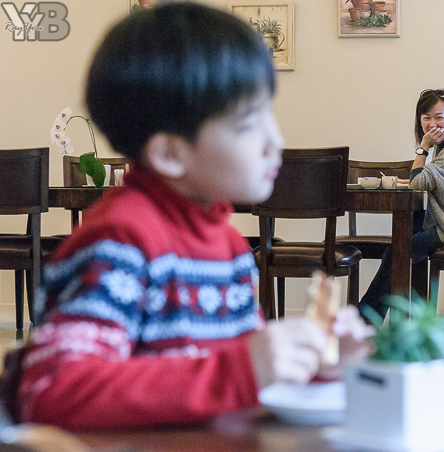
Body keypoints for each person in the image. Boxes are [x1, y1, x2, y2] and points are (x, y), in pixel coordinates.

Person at [11, 3, 370, 430]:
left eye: (269, 114)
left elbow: (229, 385)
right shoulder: (120, 241)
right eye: (247, 124)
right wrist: (245, 370)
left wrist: (316, 364)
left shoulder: (229, 246)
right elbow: (54, 392)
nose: (275, 140)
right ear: (169, 153)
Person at [359, 89, 444, 321]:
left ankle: (365, 320)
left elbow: (419, 181)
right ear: (419, 119)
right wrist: (410, 179)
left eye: (439, 117)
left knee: (397, 251)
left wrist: (424, 146)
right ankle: (399, 320)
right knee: (402, 241)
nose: (432, 124)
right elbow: (425, 180)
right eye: (426, 117)